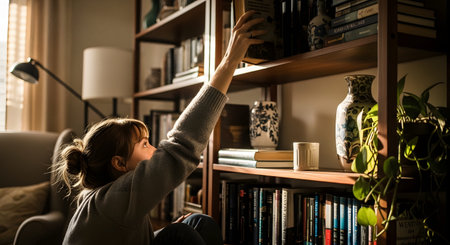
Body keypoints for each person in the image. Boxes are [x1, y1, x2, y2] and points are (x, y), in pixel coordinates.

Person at [56, 11, 266, 245]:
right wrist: (228, 62)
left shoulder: (106, 198)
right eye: (144, 144)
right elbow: (180, 146)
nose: (154, 148)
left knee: (198, 222)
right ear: (118, 163)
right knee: (181, 234)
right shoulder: (112, 200)